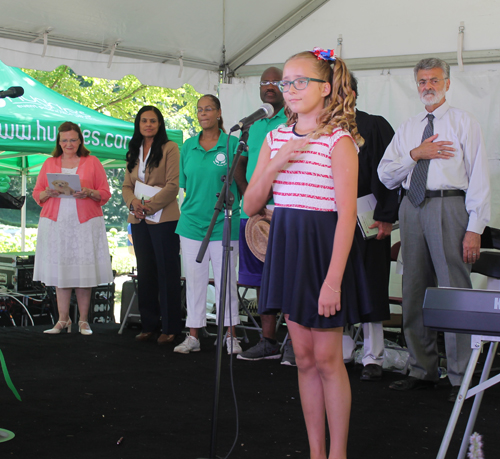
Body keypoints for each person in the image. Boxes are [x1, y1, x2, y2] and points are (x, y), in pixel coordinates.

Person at [244, 48, 372, 459]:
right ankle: (316, 452)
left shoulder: (340, 140)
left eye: (302, 81)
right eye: (287, 82)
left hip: (323, 250)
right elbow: (250, 205)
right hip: (287, 246)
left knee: (328, 358)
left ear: (326, 87)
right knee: (302, 356)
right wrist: (276, 162)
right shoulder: (274, 138)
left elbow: (346, 216)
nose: (292, 89)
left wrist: (333, 280)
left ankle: (338, 454)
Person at [378, 58, 491, 402]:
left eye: (434, 80)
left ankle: (461, 375)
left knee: (455, 289)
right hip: (412, 208)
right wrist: (416, 153)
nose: (427, 86)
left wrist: (475, 229)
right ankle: (422, 368)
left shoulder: (463, 123)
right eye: (422, 81)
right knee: (414, 289)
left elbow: (480, 181)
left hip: (449, 206)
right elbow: (386, 174)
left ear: (447, 82)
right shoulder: (409, 127)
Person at [233, 66, 294, 364]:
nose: (270, 86)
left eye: (276, 82)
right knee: (260, 279)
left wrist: (270, 199)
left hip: (286, 209)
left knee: (292, 274)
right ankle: (268, 341)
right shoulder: (251, 124)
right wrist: (250, 198)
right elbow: (238, 166)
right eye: (265, 82)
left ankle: (295, 343)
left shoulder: (294, 119)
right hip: (254, 213)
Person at [174, 94, 242, 355]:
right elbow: (185, 186)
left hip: (224, 223)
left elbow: (241, 183)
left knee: (227, 281)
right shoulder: (188, 146)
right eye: (199, 110)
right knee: (194, 281)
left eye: (208, 109)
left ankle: (230, 335)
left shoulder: (232, 144)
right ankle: (193, 336)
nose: (203, 113)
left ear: (219, 112)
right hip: (191, 224)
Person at [33, 121, 113, 335]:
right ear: (59, 142)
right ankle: (62, 320)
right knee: (61, 271)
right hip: (56, 223)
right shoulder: (50, 162)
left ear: (80, 141)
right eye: (65, 140)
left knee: (83, 271)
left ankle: (84, 321)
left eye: (73, 139)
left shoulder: (92, 161)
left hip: (84, 223)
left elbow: (104, 193)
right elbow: (37, 194)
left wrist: (88, 191)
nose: (69, 143)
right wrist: (47, 193)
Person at [350, 74, 399, 381]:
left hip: (368, 218)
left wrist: (385, 214)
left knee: (370, 282)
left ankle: (373, 356)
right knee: (336, 286)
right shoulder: (321, 130)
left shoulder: (373, 126)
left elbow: (390, 174)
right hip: (330, 219)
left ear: (353, 94)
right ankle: (341, 349)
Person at [122, 106, 182, 345]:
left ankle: (170, 327)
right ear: (138, 124)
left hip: (163, 218)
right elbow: (127, 186)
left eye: (153, 121)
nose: (148, 124)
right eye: (144, 121)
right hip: (138, 219)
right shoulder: (133, 150)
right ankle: (149, 325)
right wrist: (134, 204)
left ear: (160, 124)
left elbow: (173, 185)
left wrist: (149, 205)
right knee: (145, 272)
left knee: (167, 272)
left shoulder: (170, 148)